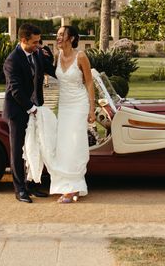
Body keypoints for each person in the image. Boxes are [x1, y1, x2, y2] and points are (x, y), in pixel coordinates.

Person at [3, 23, 55, 203]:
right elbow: (15, 90)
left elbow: (51, 69)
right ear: (23, 40)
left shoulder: (38, 53)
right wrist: (30, 108)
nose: (38, 46)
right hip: (18, 111)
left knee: (36, 147)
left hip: (36, 108)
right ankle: (20, 190)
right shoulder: (12, 60)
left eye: (39, 42)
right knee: (18, 150)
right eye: (34, 42)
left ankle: (32, 184)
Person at [49, 25, 96, 203]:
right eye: (58, 34)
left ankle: (74, 188)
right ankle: (63, 186)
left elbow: (89, 83)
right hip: (64, 106)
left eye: (62, 34)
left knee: (75, 144)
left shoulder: (81, 56)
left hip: (79, 104)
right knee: (63, 145)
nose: (58, 37)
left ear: (72, 38)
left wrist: (91, 109)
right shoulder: (56, 55)